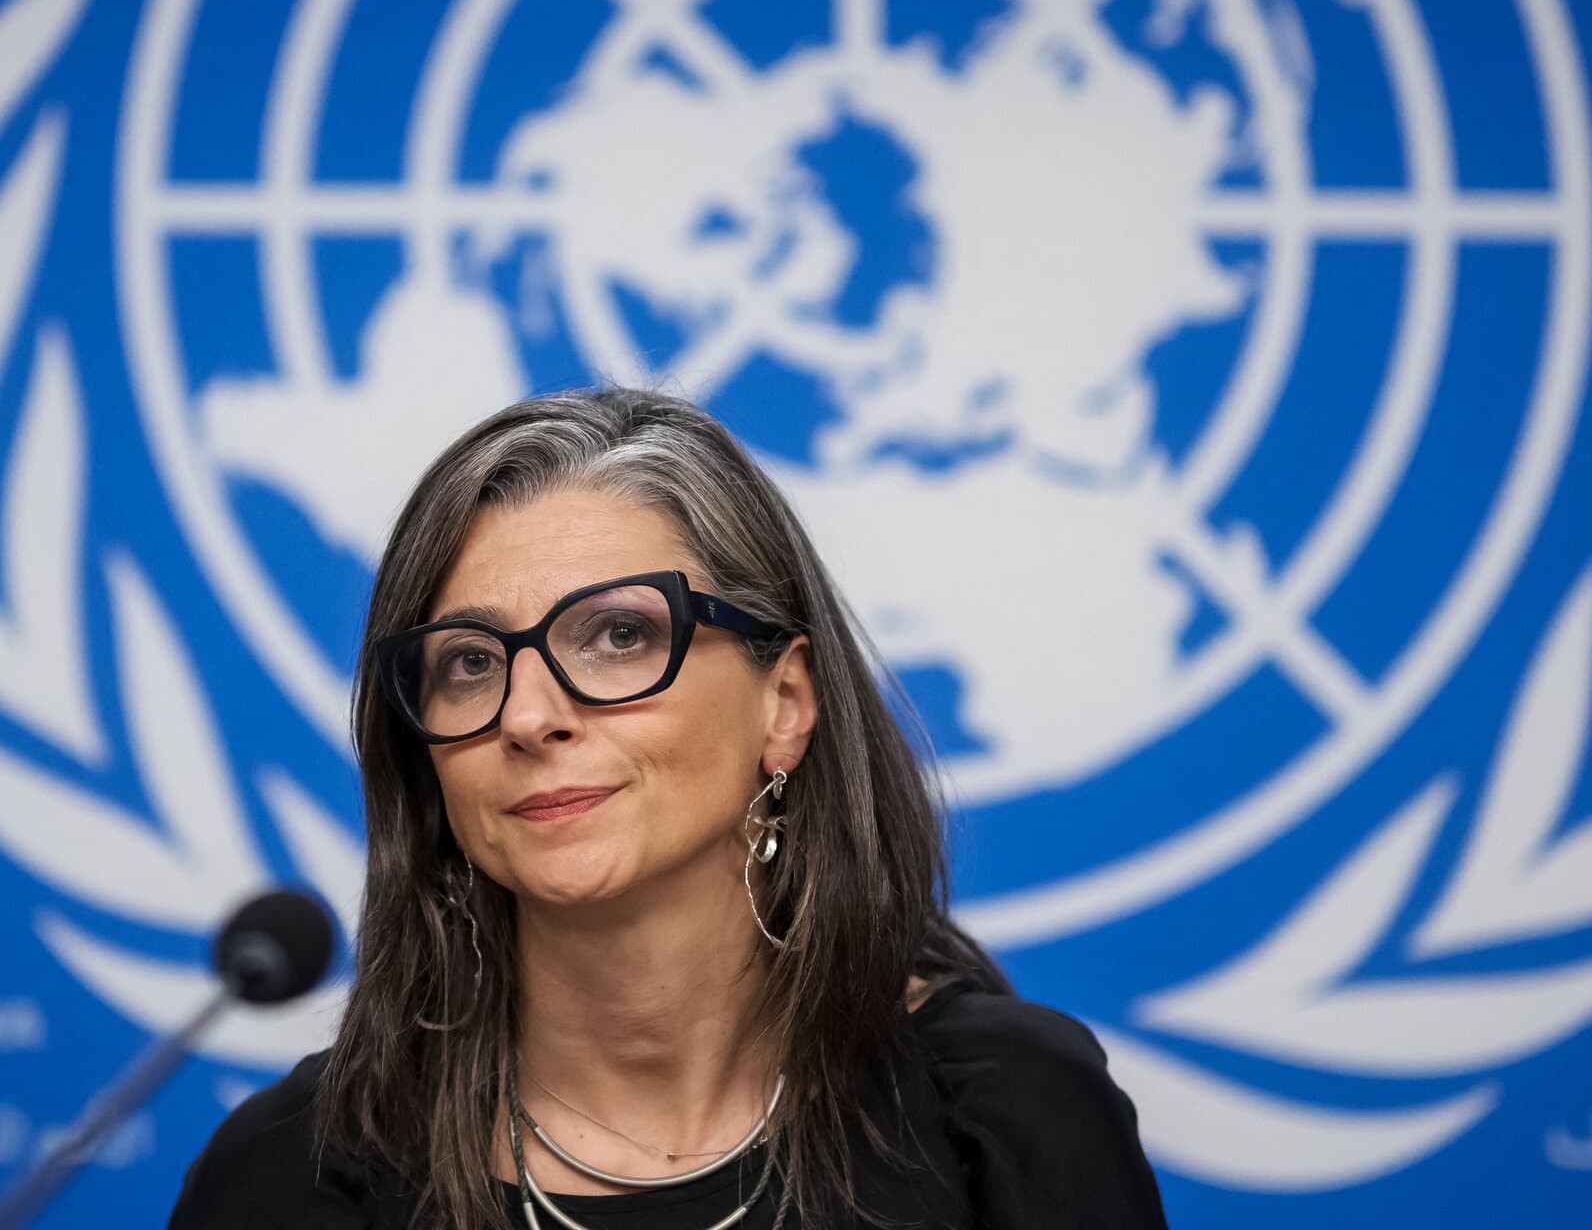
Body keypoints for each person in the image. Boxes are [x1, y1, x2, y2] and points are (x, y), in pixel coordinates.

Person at [168, 388, 1169, 1229]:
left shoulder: (1005, 1117)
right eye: (470, 663)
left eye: (617, 636)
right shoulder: (292, 1177)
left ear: (785, 704)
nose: (528, 716)